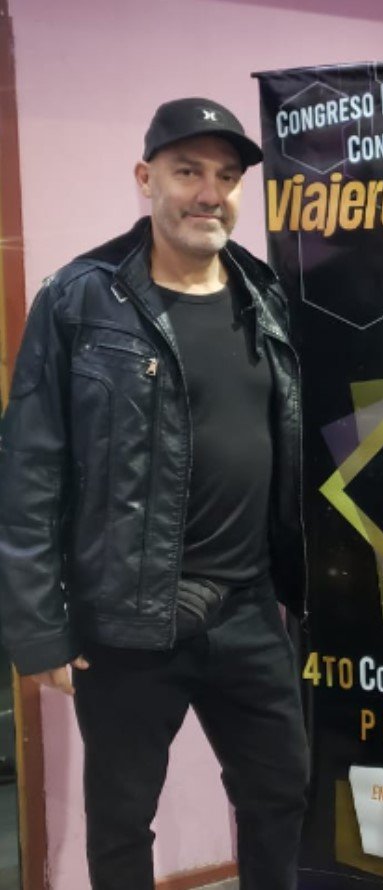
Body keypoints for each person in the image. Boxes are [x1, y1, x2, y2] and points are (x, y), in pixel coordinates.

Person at [0, 98, 309, 889]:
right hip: (127, 619)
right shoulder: (79, 298)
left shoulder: (263, 292)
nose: (210, 194)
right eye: (187, 172)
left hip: (248, 609)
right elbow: (29, 465)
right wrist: (38, 628)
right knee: (121, 819)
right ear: (146, 178)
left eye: (226, 177)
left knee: (280, 793)